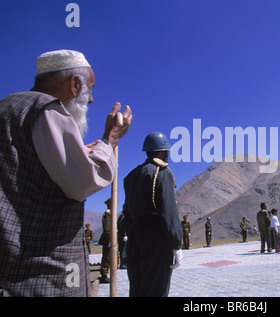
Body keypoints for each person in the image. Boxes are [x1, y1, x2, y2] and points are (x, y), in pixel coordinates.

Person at [0, 49, 132, 297]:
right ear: (75, 84)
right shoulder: (47, 109)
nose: (91, 99)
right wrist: (109, 139)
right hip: (41, 279)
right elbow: (82, 182)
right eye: (90, 88)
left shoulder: (8, 107)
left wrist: (82, 152)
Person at [123, 132, 183, 297]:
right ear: (163, 152)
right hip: (156, 236)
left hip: (135, 235)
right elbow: (168, 211)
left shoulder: (130, 177)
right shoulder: (162, 172)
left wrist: (131, 234)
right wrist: (176, 243)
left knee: (137, 287)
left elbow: (126, 212)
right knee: (156, 288)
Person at [98, 198, 112, 284]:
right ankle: (104, 274)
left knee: (109, 256)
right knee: (107, 256)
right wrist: (110, 240)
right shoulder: (108, 213)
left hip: (110, 239)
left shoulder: (111, 213)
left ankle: (105, 273)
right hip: (108, 239)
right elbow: (107, 229)